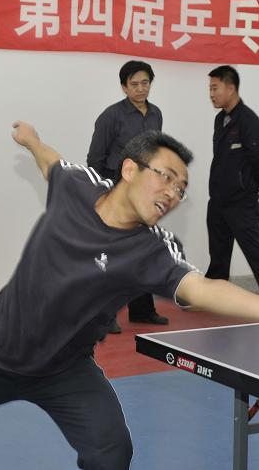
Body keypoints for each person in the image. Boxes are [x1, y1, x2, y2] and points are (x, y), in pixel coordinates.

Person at [0, 122, 259, 470]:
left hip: (64, 369)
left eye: (181, 189)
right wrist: (32, 140)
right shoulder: (76, 186)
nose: (173, 194)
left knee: (112, 449)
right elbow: (50, 163)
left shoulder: (153, 250)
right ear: (130, 169)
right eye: (166, 177)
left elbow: (200, 288)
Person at [87, 60, 168, 331]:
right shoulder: (111, 116)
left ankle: (142, 310)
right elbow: (95, 158)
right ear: (124, 87)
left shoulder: (155, 114)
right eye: (134, 84)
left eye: (145, 83)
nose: (140, 88)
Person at [205, 65, 259, 298]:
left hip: (241, 203)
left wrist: (249, 186)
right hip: (218, 200)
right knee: (218, 255)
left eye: (215, 88)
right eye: (210, 89)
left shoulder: (249, 121)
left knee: (256, 251)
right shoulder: (220, 119)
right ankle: (213, 296)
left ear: (231, 88)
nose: (211, 94)